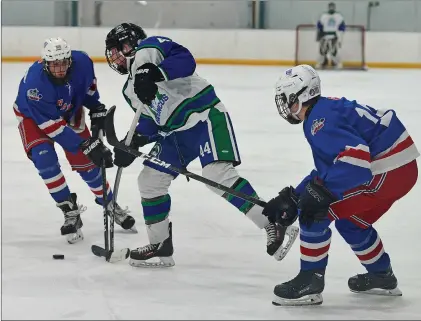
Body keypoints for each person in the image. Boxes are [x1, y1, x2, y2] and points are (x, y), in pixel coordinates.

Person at [104, 23, 299, 267]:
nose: (113, 58)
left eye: (115, 51)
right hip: (176, 135)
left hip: (204, 115)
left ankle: (272, 223)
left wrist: (153, 73)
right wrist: (130, 144)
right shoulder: (129, 90)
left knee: (217, 174)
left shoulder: (149, 49)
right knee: (149, 181)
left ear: (128, 45)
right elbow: (150, 123)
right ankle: (161, 247)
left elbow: (186, 60)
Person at [263, 64, 419, 306]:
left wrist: (311, 199)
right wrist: (295, 195)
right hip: (399, 168)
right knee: (350, 221)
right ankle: (381, 275)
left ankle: (310, 282)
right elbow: (330, 169)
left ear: (301, 95)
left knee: (315, 211)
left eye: (287, 99)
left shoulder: (319, 121)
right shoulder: (323, 110)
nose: (284, 105)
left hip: (386, 170)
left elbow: (356, 164)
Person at [13, 37, 136, 244]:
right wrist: (86, 144)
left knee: (88, 164)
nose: (60, 69)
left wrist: (96, 108)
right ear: (46, 64)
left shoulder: (83, 62)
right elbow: (52, 127)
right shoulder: (35, 87)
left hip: (69, 110)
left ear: (70, 60)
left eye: (63, 63)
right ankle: (69, 209)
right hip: (34, 117)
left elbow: (87, 89)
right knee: (45, 161)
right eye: (54, 64)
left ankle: (109, 202)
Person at [316, 2, 345, 69]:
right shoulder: (324, 16)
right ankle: (323, 62)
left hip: (334, 36)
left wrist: (340, 35)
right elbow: (319, 26)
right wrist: (319, 35)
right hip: (324, 36)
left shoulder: (338, 16)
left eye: (332, 6)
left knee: (334, 50)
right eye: (330, 6)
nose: (331, 8)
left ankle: (335, 62)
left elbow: (342, 26)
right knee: (323, 50)